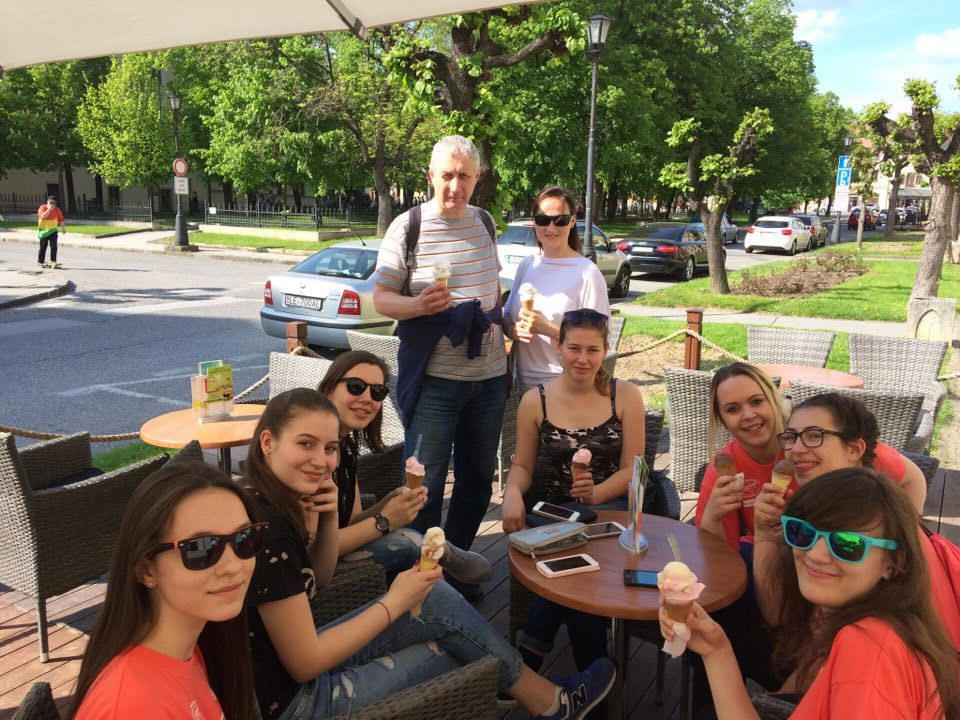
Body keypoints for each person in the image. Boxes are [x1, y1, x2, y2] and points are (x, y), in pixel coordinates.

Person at [242, 388, 615, 720]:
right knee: (461, 649)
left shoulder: (275, 501)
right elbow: (305, 664)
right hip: (296, 702)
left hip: (289, 665)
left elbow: (320, 578)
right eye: (305, 444)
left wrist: (325, 519)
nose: (321, 461)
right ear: (268, 442)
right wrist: (394, 601)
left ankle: (548, 702)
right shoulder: (269, 532)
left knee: (440, 604)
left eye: (329, 448)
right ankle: (550, 702)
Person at [663, 468, 959, 720]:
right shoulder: (852, 626)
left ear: (893, 562)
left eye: (847, 543)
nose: (815, 554)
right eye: (802, 532)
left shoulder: (869, 652)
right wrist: (716, 650)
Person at [372, 135, 507, 591]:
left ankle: (454, 570)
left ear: (476, 178)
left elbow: (491, 292)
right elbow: (381, 298)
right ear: (431, 176)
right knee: (421, 488)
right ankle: (418, 581)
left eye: (464, 176)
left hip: (489, 379)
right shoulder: (406, 227)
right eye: (447, 175)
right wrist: (419, 306)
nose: (455, 185)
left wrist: (505, 324)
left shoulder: (485, 222)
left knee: (476, 482)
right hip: (436, 381)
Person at [752, 392, 960, 651]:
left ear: (854, 449)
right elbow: (780, 615)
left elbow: (780, 616)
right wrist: (763, 531)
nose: (795, 449)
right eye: (791, 437)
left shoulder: (870, 530)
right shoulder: (828, 510)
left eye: (814, 436)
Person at [501, 308, 645, 673]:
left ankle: (531, 653)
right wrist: (512, 494)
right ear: (558, 347)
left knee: (578, 555)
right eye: (574, 348)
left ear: (605, 350)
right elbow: (523, 467)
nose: (583, 359)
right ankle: (596, 672)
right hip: (554, 510)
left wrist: (596, 494)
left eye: (592, 350)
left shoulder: (626, 395)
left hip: (613, 507)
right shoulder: (536, 400)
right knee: (576, 552)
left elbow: (634, 470)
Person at [68, 462, 262, 720]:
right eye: (201, 548)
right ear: (146, 570)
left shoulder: (190, 646)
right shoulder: (133, 707)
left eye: (244, 538)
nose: (233, 566)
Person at [696, 362, 926, 551]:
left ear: (773, 400)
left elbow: (913, 477)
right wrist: (713, 515)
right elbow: (717, 556)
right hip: (773, 555)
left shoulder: (823, 446)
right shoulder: (725, 468)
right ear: (722, 419)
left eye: (757, 401)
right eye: (732, 409)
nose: (748, 415)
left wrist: (903, 539)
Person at [318, 350, 491, 584]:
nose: (368, 398)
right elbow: (315, 549)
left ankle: (439, 555)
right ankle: (442, 553)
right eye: (355, 386)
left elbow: (353, 521)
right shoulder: (315, 455)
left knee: (415, 553)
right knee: (410, 545)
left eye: (377, 392)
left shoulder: (345, 446)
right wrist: (385, 521)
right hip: (317, 571)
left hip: (346, 548)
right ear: (329, 387)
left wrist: (389, 502)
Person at [503, 186, 610, 393]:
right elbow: (507, 315)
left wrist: (550, 329)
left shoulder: (587, 272)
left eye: (560, 220)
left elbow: (599, 338)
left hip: (568, 381)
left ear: (572, 221)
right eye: (543, 219)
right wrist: (513, 330)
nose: (551, 227)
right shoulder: (527, 265)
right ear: (534, 221)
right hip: (524, 381)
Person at [36, 195, 65, 269]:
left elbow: (61, 219)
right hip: (44, 231)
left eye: (54, 203)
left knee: (54, 246)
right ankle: (40, 262)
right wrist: (49, 209)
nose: (52, 204)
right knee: (43, 246)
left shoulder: (57, 209)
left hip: (53, 230)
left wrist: (63, 228)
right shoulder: (42, 207)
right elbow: (43, 216)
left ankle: (53, 261)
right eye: (50, 202)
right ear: (47, 202)